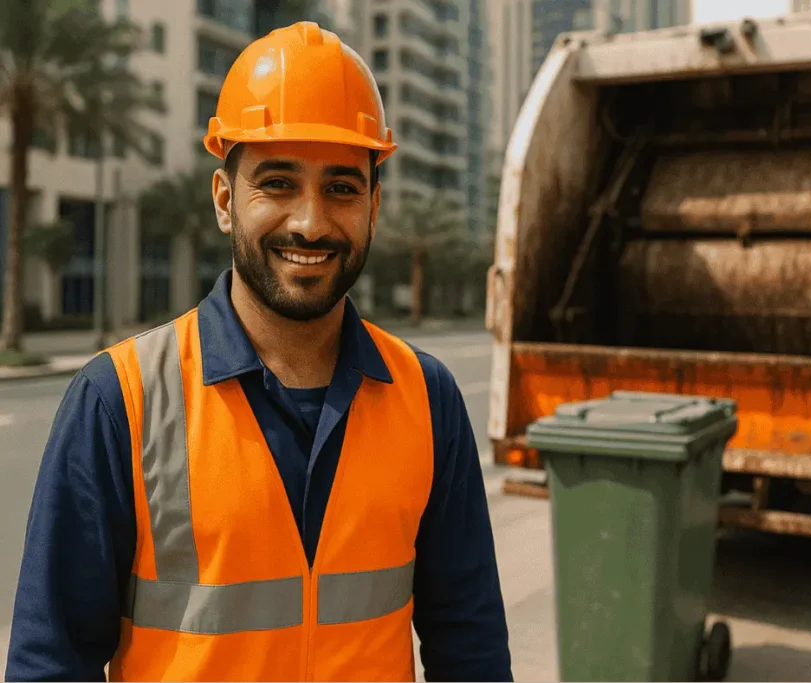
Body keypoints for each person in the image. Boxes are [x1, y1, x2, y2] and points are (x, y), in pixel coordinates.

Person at [5, 21, 512, 683]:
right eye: (277, 183)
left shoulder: (427, 395)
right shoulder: (120, 399)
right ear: (224, 200)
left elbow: (469, 648)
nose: (310, 220)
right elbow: (51, 662)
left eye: (341, 187)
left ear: (374, 206)